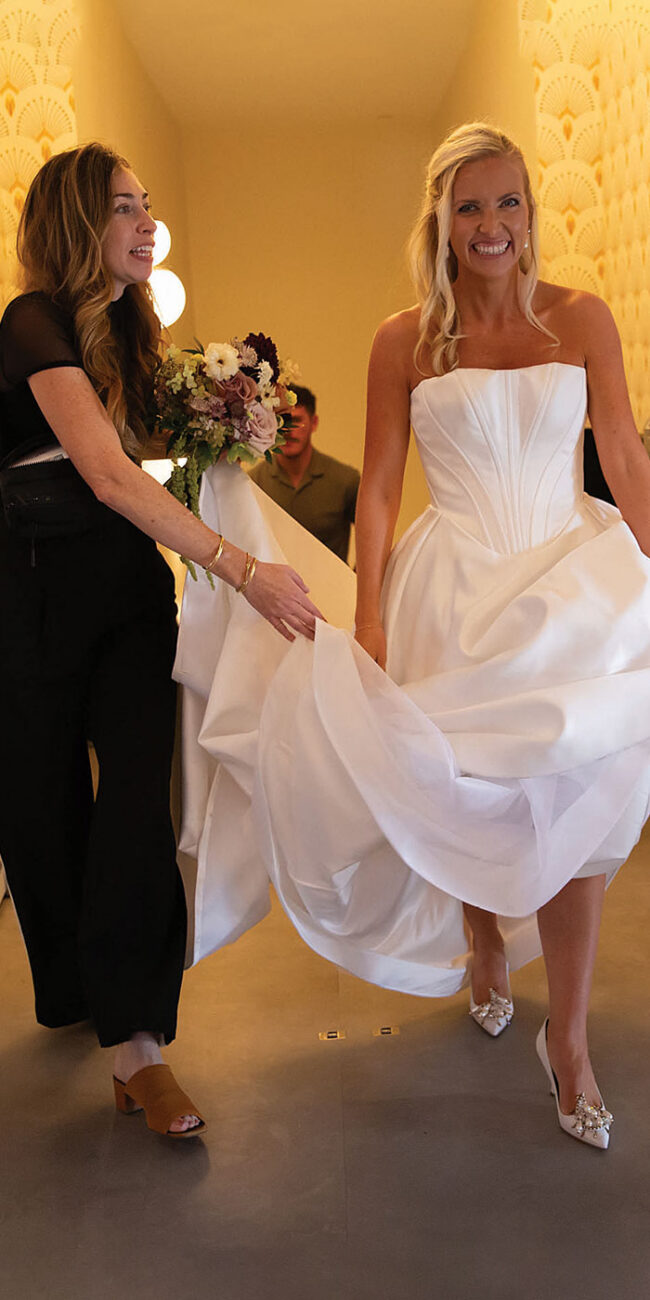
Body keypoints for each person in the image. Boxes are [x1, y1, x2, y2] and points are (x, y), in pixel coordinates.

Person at [176, 121, 650, 1153]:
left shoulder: (582, 319)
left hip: (571, 582)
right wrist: (377, 614)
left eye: (508, 202)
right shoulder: (403, 339)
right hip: (454, 589)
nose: (491, 224)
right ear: (439, 219)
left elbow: (618, 449)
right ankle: (481, 938)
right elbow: (382, 487)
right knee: (461, 791)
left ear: (530, 212)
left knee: (572, 810)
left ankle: (565, 1043)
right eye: (469, 205)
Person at [0, 142, 320, 1139]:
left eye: (149, 205)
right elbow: (102, 470)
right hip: (31, 591)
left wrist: (229, 421)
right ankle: (81, 984)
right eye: (125, 208)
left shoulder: (137, 332)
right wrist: (245, 571)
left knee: (136, 800)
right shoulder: (30, 321)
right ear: (74, 222)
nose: (146, 224)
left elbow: (150, 477)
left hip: (129, 594)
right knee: (41, 813)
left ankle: (139, 1048)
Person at [249, 385, 359, 562]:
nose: (288, 431)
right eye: (281, 421)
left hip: (331, 587)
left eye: (297, 421)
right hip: (272, 587)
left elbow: (371, 537)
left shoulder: (345, 481)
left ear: (314, 423)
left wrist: (356, 582)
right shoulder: (254, 483)